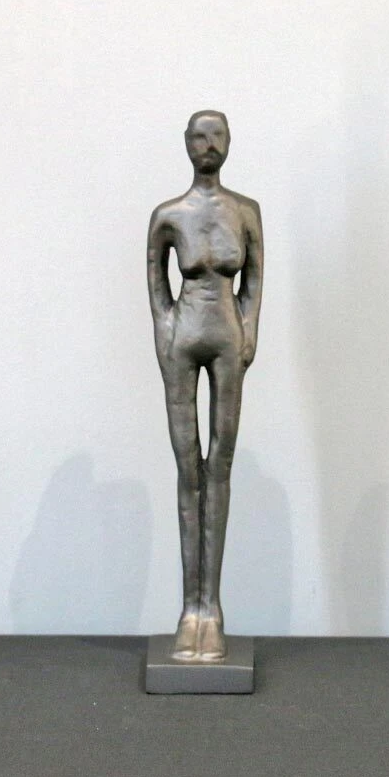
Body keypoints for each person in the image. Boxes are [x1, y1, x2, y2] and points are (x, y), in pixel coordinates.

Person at [147, 110, 264, 661]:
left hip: (226, 336)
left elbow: (254, 278)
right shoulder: (169, 216)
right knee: (186, 467)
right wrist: (164, 329)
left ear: (230, 143)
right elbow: (156, 279)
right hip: (184, 335)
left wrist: (249, 330)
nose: (209, 144)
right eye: (199, 136)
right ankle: (187, 609)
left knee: (220, 464)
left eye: (218, 135)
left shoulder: (246, 212)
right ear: (186, 144)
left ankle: (210, 609)